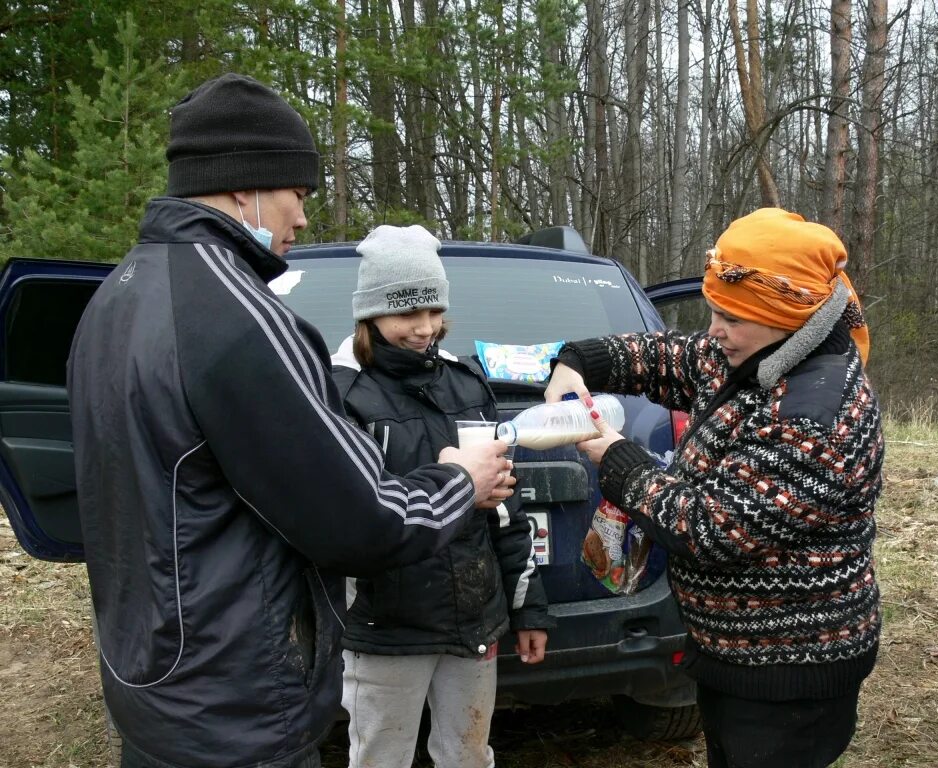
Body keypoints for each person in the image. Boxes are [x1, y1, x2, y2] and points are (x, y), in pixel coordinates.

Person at [67, 73, 511, 768]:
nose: (302, 220)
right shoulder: (241, 319)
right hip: (237, 703)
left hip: (151, 684)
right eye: (297, 196)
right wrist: (459, 480)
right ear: (244, 186)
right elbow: (359, 523)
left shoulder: (115, 297)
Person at [545, 207, 883, 768]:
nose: (715, 330)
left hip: (789, 671)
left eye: (732, 318)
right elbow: (665, 357)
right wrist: (577, 361)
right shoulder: (755, 351)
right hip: (734, 653)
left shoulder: (816, 414)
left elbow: (712, 528)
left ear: (789, 317)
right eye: (714, 312)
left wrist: (617, 458)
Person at [330, 224, 555, 768]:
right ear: (371, 314)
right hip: (386, 628)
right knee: (381, 758)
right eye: (407, 313)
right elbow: (348, 517)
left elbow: (507, 507)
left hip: (473, 620)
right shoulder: (343, 393)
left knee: (469, 754)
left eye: (433, 311)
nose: (424, 328)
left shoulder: (466, 384)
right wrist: (456, 489)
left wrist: (529, 609)